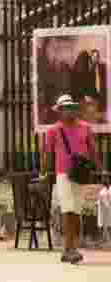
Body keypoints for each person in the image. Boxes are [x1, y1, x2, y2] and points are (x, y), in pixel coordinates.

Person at [43, 94, 102, 264]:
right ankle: (70, 249)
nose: (68, 111)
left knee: (76, 211)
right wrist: (45, 173)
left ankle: (70, 247)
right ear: (60, 111)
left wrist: (100, 170)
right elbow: (47, 154)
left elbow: (93, 150)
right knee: (68, 211)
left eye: (71, 108)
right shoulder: (54, 130)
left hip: (81, 174)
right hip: (63, 174)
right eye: (65, 108)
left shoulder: (84, 127)